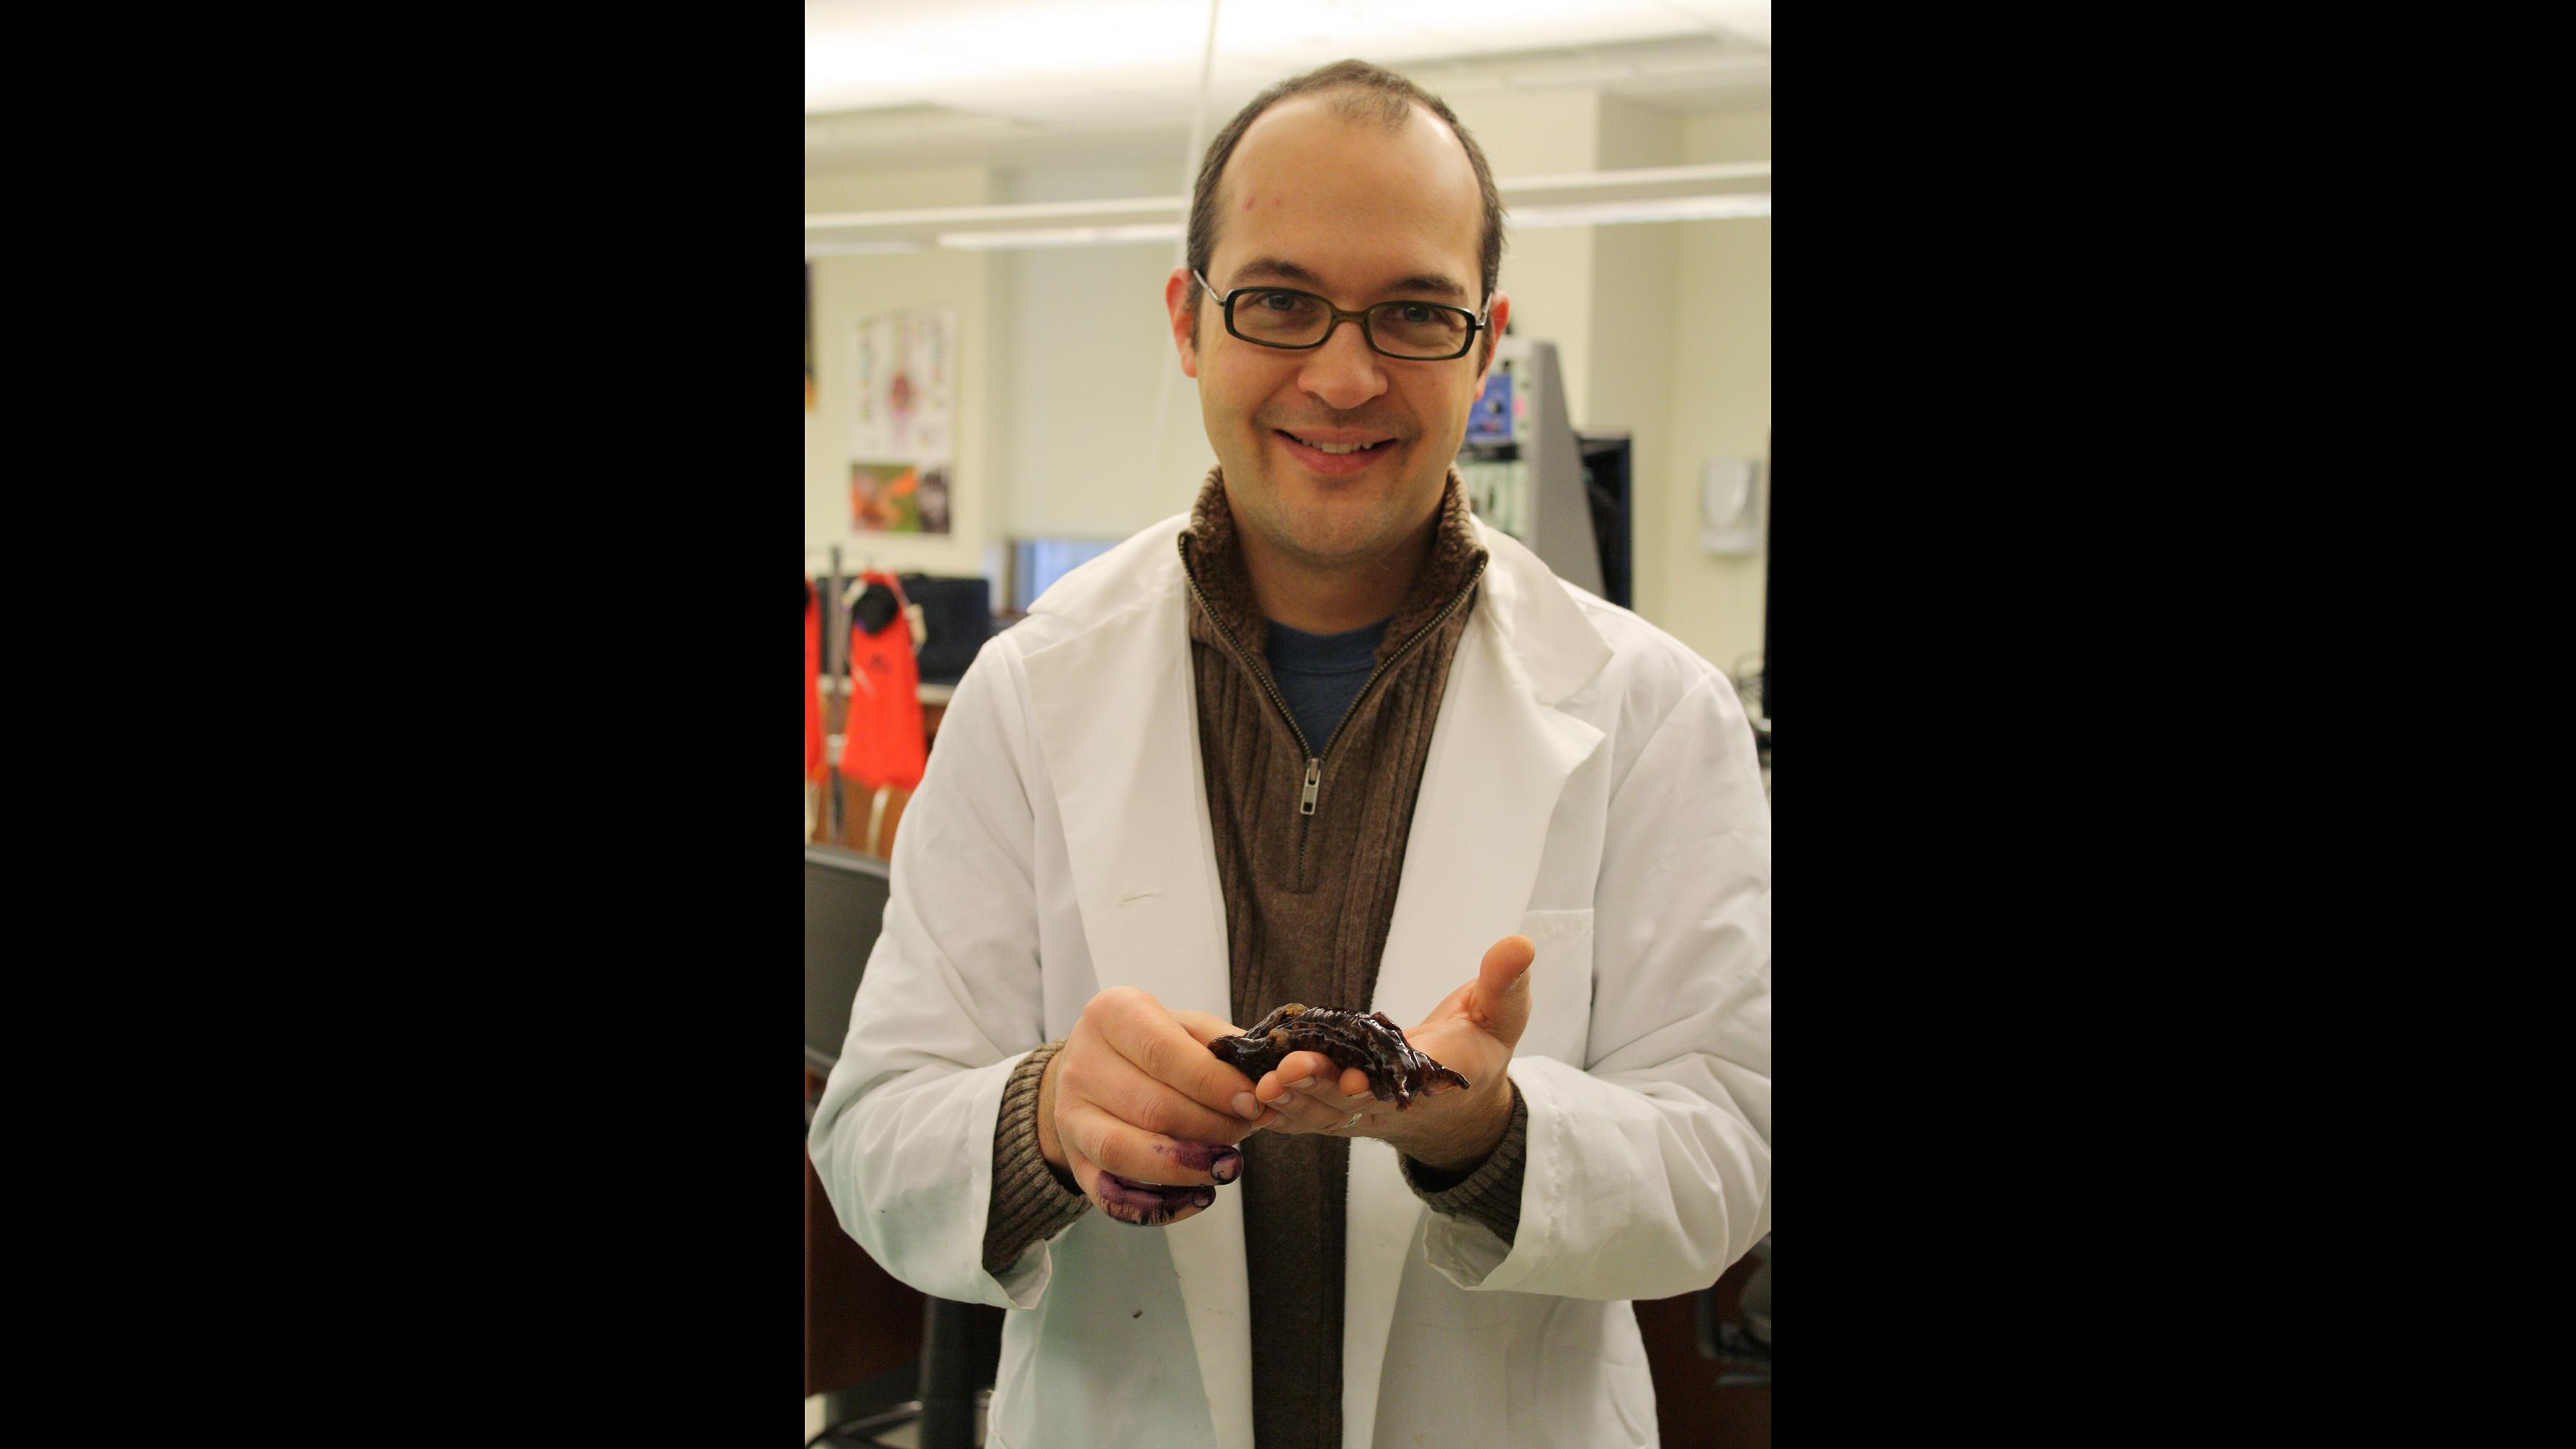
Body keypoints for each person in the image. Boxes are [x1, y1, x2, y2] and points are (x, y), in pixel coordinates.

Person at [808, 58, 1771, 1449]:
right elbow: (873, 1134)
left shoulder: (1655, 715)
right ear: (1188, 324)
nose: (1342, 371)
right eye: (1278, 301)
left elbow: (1726, 1163)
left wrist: (1488, 1134)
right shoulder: (1031, 694)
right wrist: (1048, 1117)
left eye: (1414, 313)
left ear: (1485, 345)